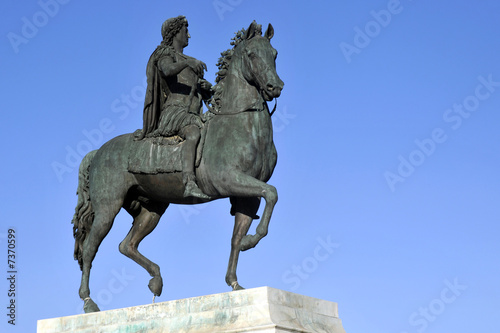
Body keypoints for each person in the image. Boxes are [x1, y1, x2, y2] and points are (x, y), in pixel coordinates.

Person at [136, 16, 212, 200]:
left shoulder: (189, 60)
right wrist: (187, 63)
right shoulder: (164, 53)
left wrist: (207, 88)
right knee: (193, 133)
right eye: (186, 31)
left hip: (192, 111)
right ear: (176, 32)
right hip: (174, 112)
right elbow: (166, 70)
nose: (189, 35)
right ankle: (189, 182)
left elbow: (194, 86)